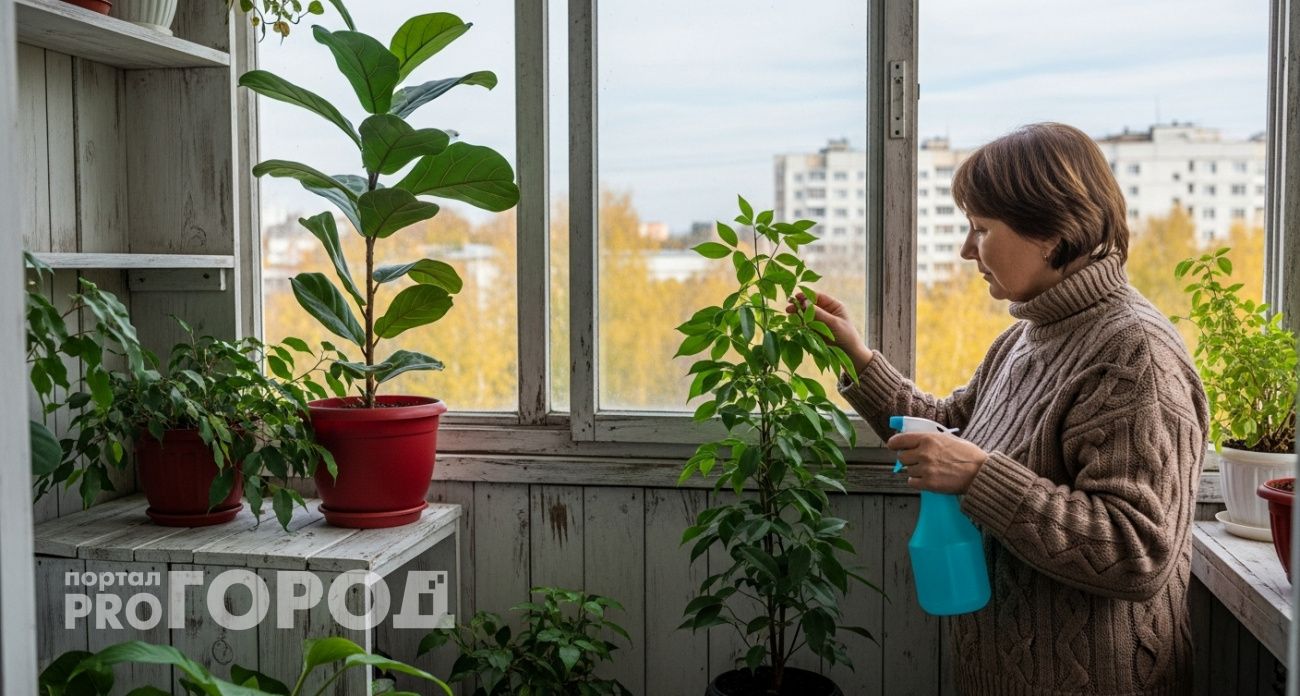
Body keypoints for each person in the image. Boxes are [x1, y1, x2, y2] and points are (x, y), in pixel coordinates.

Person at [791, 122, 1210, 695]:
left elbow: (1139, 552)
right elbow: (951, 427)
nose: (967, 249)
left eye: (981, 229)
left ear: (1051, 230)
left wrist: (979, 476)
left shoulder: (1135, 356)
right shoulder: (1027, 337)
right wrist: (857, 356)